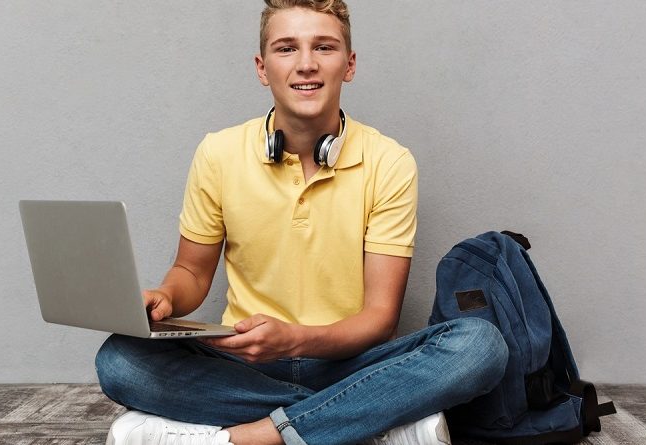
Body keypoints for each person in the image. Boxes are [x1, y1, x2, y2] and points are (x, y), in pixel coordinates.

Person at [95, 1, 508, 444]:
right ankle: (363, 415)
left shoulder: (391, 161)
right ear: (262, 67)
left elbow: (380, 319)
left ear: (348, 65)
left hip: (350, 359)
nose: (306, 64)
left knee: (479, 346)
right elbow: (192, 272)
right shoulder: (218, 153)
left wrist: (293, 340)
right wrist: (164, 298)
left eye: (324, 47)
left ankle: (257, 436)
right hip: (245, 359)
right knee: (119, 359)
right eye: (287, 48)